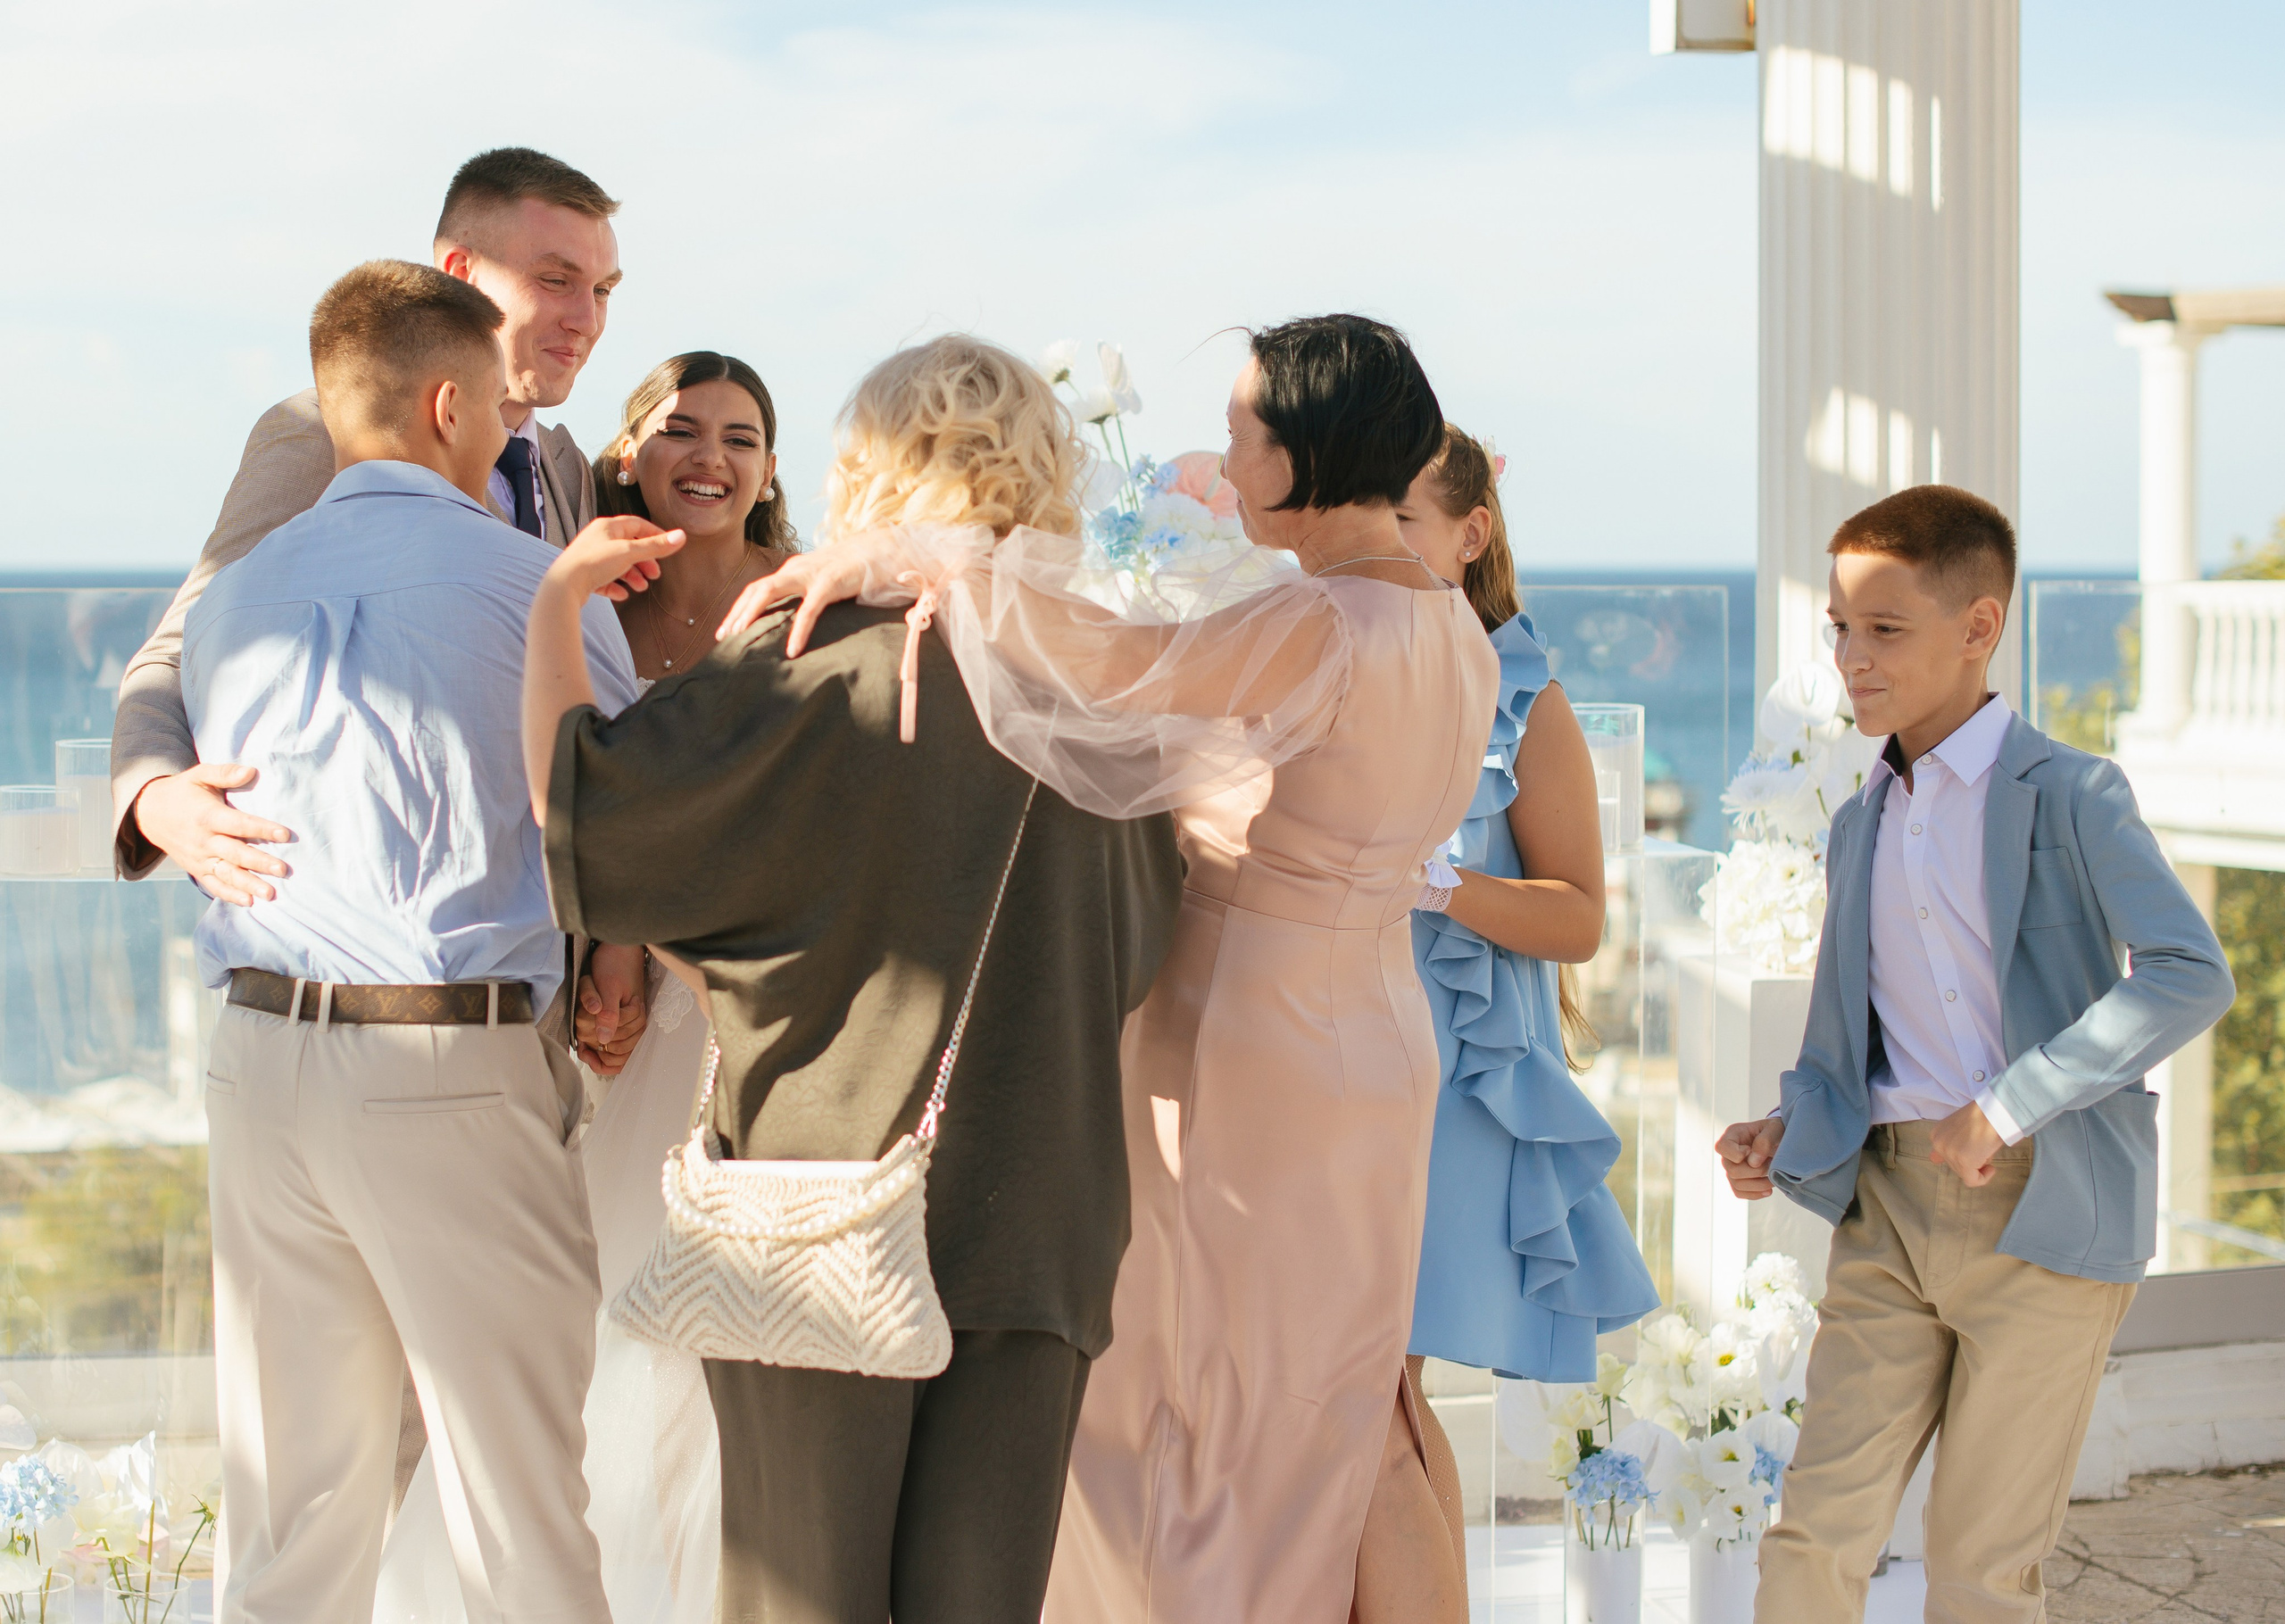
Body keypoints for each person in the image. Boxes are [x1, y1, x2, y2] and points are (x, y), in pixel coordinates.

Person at [728, 315, 1502, 1623]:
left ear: (1306, 450)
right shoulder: (1451, 625)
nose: (1226, 456)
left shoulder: (1319, 620)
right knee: (1338, 1400)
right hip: (1379, 1033)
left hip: (1249, 1038)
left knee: (1188, 1396)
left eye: (1245, 433)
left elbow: (1114, 670)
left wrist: (926, 556)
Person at [522, 335, 1187, 1624]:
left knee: (801, 1600)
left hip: (820, 1205)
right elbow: (1142, 945)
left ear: (868, 465)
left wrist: (556, 604)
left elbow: (588, 832)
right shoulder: (1101, 687)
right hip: (1043, 1214)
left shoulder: (812, 649)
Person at [185, 260, 646, 1624]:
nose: (508, 435)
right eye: (499, 410)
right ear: (449, 405)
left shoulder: (234, 597)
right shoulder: (534, 587)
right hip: (444, 1067)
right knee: (521, 1525)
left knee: (292, 1532)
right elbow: (623, 816)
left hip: (257, 1062)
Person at [1714, 485, 2235, 1621]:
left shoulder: (2074, 794)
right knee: (1811, 1534)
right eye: (1839, 628)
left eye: (1883, 628)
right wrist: (1783, 1125)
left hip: (2046, 1211)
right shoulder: (1858, 822)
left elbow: (2191, 971)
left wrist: (2008, 1102)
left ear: (1978, 626)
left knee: (1978, 1565)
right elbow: (1849, 1045)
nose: (1850, 658)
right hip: (1887, 1211)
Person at [375, 350, 798, 1624]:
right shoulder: (586, 608)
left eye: (739, 437)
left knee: (733, 1324)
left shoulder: (798, 601)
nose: (709, 457)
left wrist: (656, 947)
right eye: (681, 430)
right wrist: (607, 949)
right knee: (600, 1303)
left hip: (750, 1003)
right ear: (626, 454)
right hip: (609, 1020)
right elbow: (557, 798)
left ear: (770, 469)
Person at [109, 147, 646, 1069]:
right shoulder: (317, 434)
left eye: (602, 290)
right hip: (372, 1021)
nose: (586, 318)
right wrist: (155, 800)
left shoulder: (564, 468)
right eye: (557, 280)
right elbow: (180, 648)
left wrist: (604, 954)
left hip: (532, 1018)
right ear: (460, 272)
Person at [1386, 427, 1660, 1604]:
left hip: (1457, 1082)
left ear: (1471, 531)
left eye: (1402, 519)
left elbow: (1579, 917)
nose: (1378, 542)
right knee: (1366, 1393)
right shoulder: (1353, 670)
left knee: (1376, 1389)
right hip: (1341, 1065)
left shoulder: (1526, 698)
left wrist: (1435, 883)